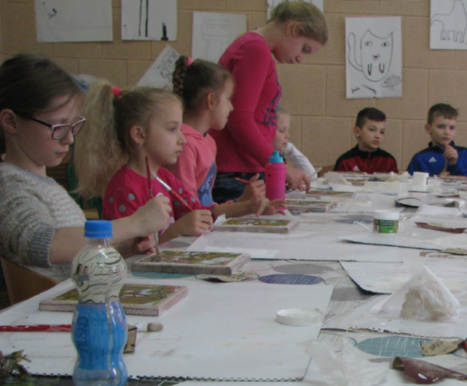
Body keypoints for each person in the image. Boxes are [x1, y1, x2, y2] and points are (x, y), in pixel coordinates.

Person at [0, 54, 170, 282]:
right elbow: (42, 245)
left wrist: (120, 250)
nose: (69, 139)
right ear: (11, 122)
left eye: (73, 126)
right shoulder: (9, 184)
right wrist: (135, 223)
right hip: (60, 303)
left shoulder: (43, 184)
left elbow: (73, 259)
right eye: (58, 126)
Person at [75, 83, 280, 245]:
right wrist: (177, 230)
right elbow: (130, 256)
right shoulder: (124, 188)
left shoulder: (164, 178)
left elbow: (202, 213)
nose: (182, 139)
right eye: (172, 129)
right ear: (139, 134)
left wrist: (249, 207)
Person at [209, 1, 328, 202]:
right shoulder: (255, 49)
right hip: (237, 171)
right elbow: (239, 119)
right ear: (292, 28)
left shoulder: (255, 47)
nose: (300, 59)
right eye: (304, 49)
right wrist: (278, 165)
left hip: (245, 168)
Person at [168, 55, 266, 209]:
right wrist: (241, 205)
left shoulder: (209, 142)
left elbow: (207, 206)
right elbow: (188, 210)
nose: (231, 107)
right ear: (211, 100)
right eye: (228, 99)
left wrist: (241, 201)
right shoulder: (185, 145)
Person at [406, 103, 467, 178]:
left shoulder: (463, 153)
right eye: (441, 127)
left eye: (451, 128)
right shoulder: (420, 158)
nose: (447, 132)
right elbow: (408, 183)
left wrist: (455, 165)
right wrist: (437, 179)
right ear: (428, 129)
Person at [333, 107, 398, 174]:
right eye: (372, 129)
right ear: (357, 132)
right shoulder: (345, 162)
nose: (378, 136)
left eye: (382, 132)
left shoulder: (389, 161)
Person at [274, 106, 317, 182]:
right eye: (282, 130)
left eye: (287, 131)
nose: (287, 136)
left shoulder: (280, 157)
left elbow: (311, 176)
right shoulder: (262, 163)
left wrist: (290, 149)